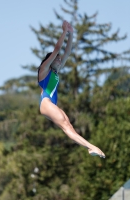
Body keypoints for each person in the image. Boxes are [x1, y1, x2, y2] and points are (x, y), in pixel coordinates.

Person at [38, 20, 105, 158]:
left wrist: (71, 34)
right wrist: (63, 32)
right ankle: (91, 147)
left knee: (68, 125)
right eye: (57, 59)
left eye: (59, 59)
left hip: (51, 103)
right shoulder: (44, 71)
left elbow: (67, 52)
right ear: (49, 61)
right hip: (46, 102)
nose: (59, 60)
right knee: (66, 126)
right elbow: (57, 49)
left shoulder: (55, 73)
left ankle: (90, 147)